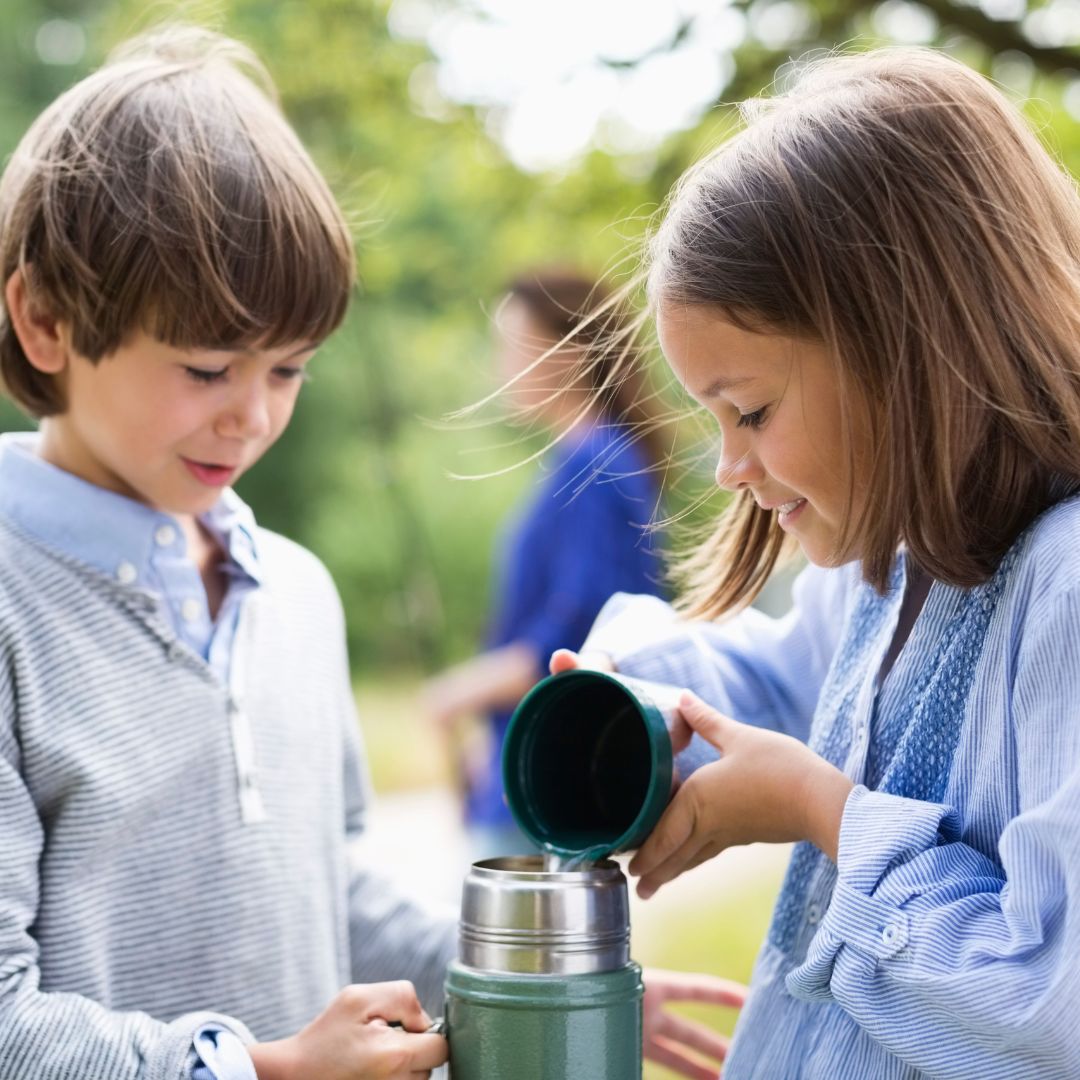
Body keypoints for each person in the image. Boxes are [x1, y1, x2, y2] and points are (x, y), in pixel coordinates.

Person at [553, 48, 1080, 1078]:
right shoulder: (893, 564)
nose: (729, 466)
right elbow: (787, 682)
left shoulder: (1063, 586)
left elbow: (1050, 1013)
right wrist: (642, 697)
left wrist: (817, 811)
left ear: (910, 350)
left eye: (750, 410)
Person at [0, 27, 455, 1080]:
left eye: (289, 370)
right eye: (208, 368)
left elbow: (322, 883)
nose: (252, 417)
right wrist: (263, 1069)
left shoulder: (298, 592)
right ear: (44, 320)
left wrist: (516, 975)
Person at [423, 269, 667, 858]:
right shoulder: (582, 461)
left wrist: (454, 696)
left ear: (568, 349)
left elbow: (576, 637)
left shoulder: (596, 466)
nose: (500, 364)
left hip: (551, 776)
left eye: (512, 342)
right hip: (529, 760)